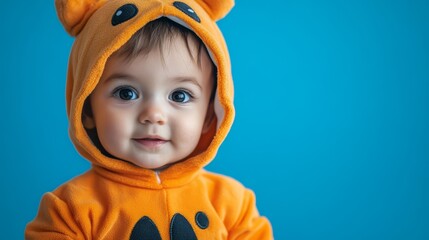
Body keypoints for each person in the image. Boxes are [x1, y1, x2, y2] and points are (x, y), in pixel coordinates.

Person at [26, 0, 273, 239]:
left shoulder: (234, 207)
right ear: (87, 110)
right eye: (126, 93)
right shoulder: (68, 211)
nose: (153, 115)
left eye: (179, 95)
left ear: (209, 116)